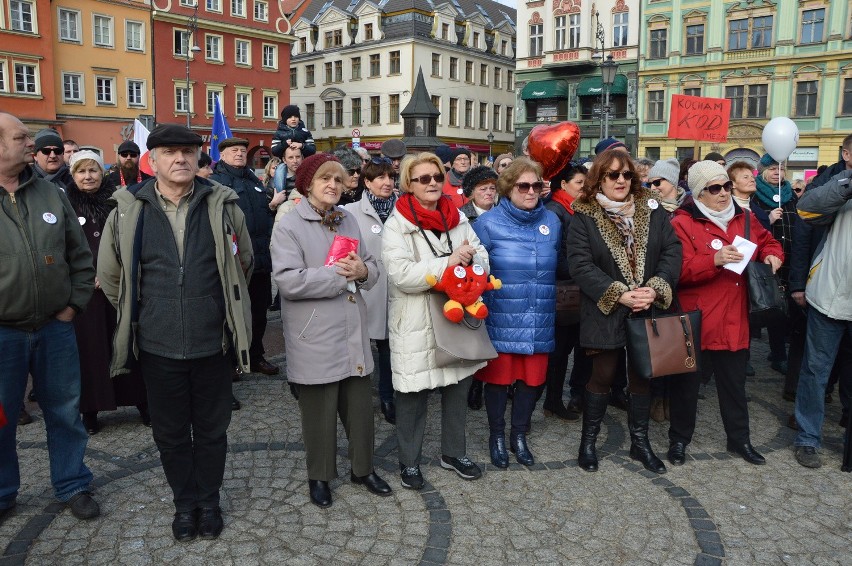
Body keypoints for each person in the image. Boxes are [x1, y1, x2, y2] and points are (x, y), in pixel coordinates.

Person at [98, 124, 253, 541]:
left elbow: (244, 265)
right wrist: (150, 312)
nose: (180, 159)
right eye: (169, 152)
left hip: (212, 341)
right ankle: (185, 505)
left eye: (187, 151)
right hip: (157, 344)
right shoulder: (128, 210)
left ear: (199, 157)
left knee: (211, 431)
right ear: (154, 160)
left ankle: (210, 501)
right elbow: (112, 278)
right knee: (169, 434)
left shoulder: (222, 205)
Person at [271, 153, 390, 507]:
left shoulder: (348, 220)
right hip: (315, 333)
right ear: (307, 184)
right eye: (325, 179)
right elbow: (289, 282)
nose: (333, 186)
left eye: (338, 180)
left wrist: (364, 273)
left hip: (352, 329)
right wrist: (341, 274)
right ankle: (320, 476)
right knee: (319, 414)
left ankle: (363, 468)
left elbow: (370, 265)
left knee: (360, 410)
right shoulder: (289, 225)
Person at [0, 112, 100, 524]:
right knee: (2, 416)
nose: (32, 143)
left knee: (64, 410)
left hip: (54, 326)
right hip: (3, 333)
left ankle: (72, 483)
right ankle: (4, 493)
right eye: (21, 137)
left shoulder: (50, 193)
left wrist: (74, 305)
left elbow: (79, 255)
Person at [566, 148, 682, 474]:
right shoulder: (584, 214)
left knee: (641, 376)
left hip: (645, 307)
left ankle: (640, 443)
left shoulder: (652, 209)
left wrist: (655, 288)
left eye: (627, 174)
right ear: (599, 179)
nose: (621, 180)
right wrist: (619, 294)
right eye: (613, 175)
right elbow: (580, 264)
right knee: (601, 375)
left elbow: (672, 251)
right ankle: (588, 442)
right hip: (605, 310)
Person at [383, 152, 487, 489]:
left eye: (437, 178)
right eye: (423, 179)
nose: (432, 184)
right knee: (412, 393)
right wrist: (448, 264)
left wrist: (472, 265)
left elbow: (482, 255)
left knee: (458, 385)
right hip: (415, 320)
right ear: (409, 185)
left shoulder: (456, 216)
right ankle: (409, 461)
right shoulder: (397, 223)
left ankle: (454, 453)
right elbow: (400, 275)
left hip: (455, 314)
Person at [669, 161, 782, 466]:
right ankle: (679, 440)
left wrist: (773, 254)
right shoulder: (681, 223)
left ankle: (740, 440)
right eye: (714, 188)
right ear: (699, 194)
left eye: (726, 186)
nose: (723, 193)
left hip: (734, 319)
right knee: (686, 388)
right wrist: (714, 259)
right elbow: (675, 271)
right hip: (696, 320)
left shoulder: (744, 218)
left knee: (734, 387)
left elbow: (767, 241)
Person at [472, 157, 561, 467]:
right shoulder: (487, 223)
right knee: (498, 381)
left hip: (539, 315)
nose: (531, 191)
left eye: (537, 185)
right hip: (501, 315)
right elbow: (476, 273)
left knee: (532, 381)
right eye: (524, 185)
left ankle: (519, 434)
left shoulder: (552, 221)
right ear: (508, 188)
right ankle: (496, 435)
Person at [66, 150, 148, 434]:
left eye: (93, 171)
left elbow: (133, 240)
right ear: (72, 175)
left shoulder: (119, 202)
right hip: (83, 292)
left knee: (128, 344)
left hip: (118, 287)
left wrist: (112, 272)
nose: (88, 177)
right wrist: (86, 276)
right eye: (81, 171)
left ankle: (141, 401)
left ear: (103, 173)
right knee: (89, 352)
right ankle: (90, 409)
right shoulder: (64, 204)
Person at [792, 167, 852, 468]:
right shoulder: (840, 184)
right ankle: (807, 437)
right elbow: (806, 208)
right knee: (816, 371)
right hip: (829, 297)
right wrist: (847, 184)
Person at [209, 137, 279, 376]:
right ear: (222, 155)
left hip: (260, 258)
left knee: (259, 312)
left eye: (241, 150)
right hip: (235, 260)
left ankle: (256, 355)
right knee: (231, 312)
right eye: (233, 150)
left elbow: (264, 214)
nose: (239, 154)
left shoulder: (253, 180)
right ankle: (229, 363)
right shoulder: (216, 183)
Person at [343, 157, 398, 424]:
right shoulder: (350, 211)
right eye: (380, 178)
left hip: (397, 290)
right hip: (366, 290)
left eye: (390, 177)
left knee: (390, 347)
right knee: (361, 345)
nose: (387, 183)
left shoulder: (404, 209)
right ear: (367, 182)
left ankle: (388, 396)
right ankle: (359, 398)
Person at [542, 162, 589, 421]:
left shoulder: (577, 209)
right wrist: (584, 269)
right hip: (563, 293)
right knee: (558, 352)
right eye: (579, 183)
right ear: (564, 185)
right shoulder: (554, 211)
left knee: (575, 348)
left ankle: (563, 398)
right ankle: (551, 400)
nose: (584, 188)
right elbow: (554, 255)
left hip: (578, 291)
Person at [752, 154, 797, 374]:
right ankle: (745, 356)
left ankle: (778, 353)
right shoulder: (755, 196)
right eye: (771, 169)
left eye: (780, 169)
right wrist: (767, 220)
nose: (777, 173)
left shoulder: (790, 195)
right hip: (764, 260)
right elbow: (750, 227)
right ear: (762, 171)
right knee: (759, 304)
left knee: (781, 308)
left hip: (788, 258)